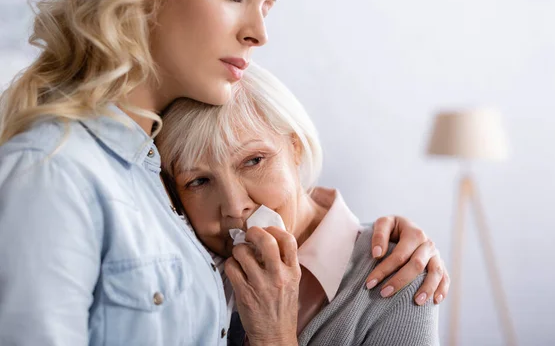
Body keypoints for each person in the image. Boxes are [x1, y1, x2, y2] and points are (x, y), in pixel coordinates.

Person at [0, 0, 448, 345]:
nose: (260, 33)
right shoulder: (62, 171)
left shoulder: (147, 177)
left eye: (268, 5)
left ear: (295, 147)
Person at [156, 63, 441, 345]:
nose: (233, 206)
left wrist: (273, 337)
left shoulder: (401, 279)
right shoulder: (181, 275)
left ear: (295, 147)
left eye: (253, 161)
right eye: (199, 181)